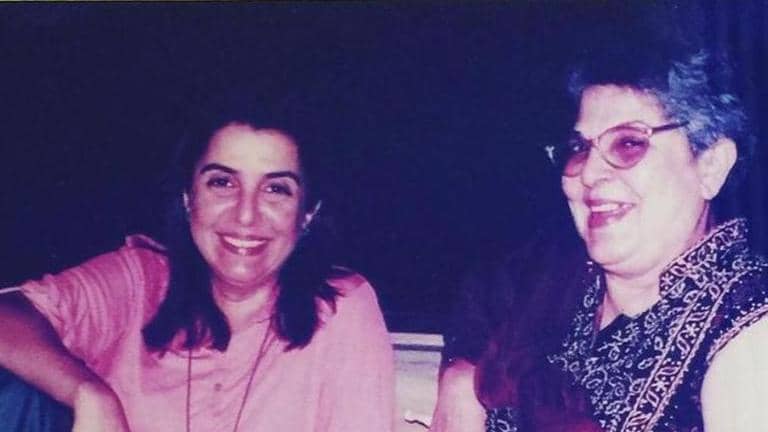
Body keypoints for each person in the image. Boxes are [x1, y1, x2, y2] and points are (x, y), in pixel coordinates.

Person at [0, 103, 395, 431]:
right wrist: (89, 394)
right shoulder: (140, 281)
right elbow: (8, 313)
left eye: (276, 189)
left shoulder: (343, 308)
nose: (246, 215)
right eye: (222, 182)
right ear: (189, 198)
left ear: (307, 213)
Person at [437, 40, 768, 432]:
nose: (590, 173)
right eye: (579, 148)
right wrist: (461, 377)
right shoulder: (558, 278)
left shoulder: (748, 329)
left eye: (628, 143)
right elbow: (480, 303)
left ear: (711, 165)